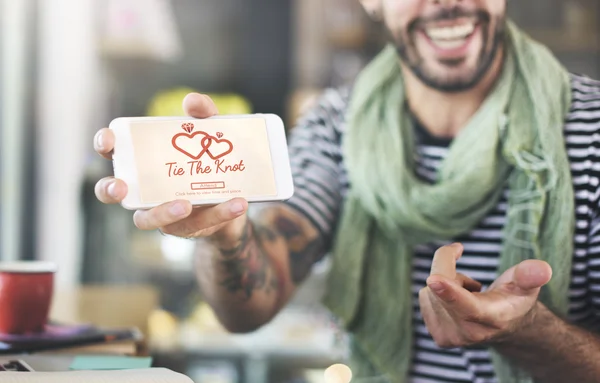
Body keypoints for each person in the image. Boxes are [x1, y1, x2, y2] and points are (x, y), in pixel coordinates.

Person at [93, 0, 600, 382]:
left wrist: (531, 331)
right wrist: (226, 235)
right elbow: (248, 307)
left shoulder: (592, 127)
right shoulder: (335, 124)